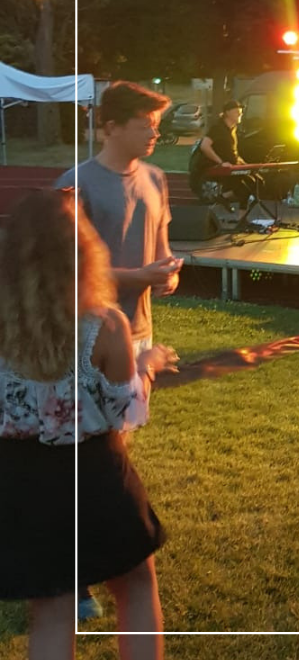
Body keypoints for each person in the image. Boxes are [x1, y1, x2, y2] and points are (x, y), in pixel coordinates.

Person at [0, 189, 177, 660]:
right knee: (136, 584)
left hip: (21, 481)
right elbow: (127, 411)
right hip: (95, 474)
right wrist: (148, 366)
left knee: (51, 609)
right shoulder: (103, 325)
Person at [56, 80, 182, 621]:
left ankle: (97, 562)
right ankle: (76, 575)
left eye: (157, 124)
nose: (153, 132)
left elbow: (162, 251)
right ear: (109, 126)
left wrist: (166, 274)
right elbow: (66, 272)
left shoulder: (156, 178)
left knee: (115, 454)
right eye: (144, 123)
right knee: (89, 458)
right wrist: (138, 275)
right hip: (86, 336)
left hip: (138, 331)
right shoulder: (76, 185)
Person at [188, 99, 258, 206]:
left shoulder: (233, 129)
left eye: (241, 112)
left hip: (232, 166)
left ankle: (241, 214)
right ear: (227, 113)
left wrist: (245, 165)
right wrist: (221, 162)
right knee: (248, 184)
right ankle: (222, 197)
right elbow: (205, 146)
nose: (240, 114)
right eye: (237, 111)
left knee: (254, 181)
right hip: (219, 168)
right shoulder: (217, 128)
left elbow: (233, 152)